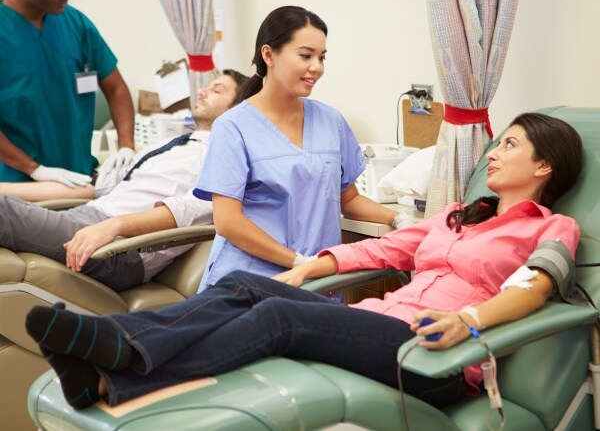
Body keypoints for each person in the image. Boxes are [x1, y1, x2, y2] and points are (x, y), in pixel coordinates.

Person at [26, 111, 583, 410]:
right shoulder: (458, 215)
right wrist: (308, 267)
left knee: (278, 319)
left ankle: (115, 363)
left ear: (545, 167)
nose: (494, 152)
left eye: (510, 145)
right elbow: (383, 249)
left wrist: (469, 320)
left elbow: (533, 290)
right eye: (497, 143)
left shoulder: (553, 228)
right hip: (379, 328)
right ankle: (108, 358)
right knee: (251, 283)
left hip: (434, 358)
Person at [194, 6, 399, 291]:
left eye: (321, 57)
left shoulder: (331, 121)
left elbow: (348, 199)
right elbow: (228, 222)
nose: (316, 66)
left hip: (314, 281)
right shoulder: (233, 127)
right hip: (249, 279)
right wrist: (298, 263)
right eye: (305, 55)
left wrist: (398, 219)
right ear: (269, 55)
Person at [0, 70, 248, 291]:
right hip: (89, 217)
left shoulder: (222, 157)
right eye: (208, 86)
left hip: (122, 248)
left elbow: (190, 210)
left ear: (238, 110)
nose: (203, 91)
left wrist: (115, 226)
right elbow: (90, 188)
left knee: (4, 211)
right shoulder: (169, 144)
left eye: (217, 90)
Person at [0, 0, 135, 185]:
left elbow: (116, 89)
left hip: (79, 176)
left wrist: (127, 146)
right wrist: (36, 169)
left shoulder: (77, 24)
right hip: (16, 184)